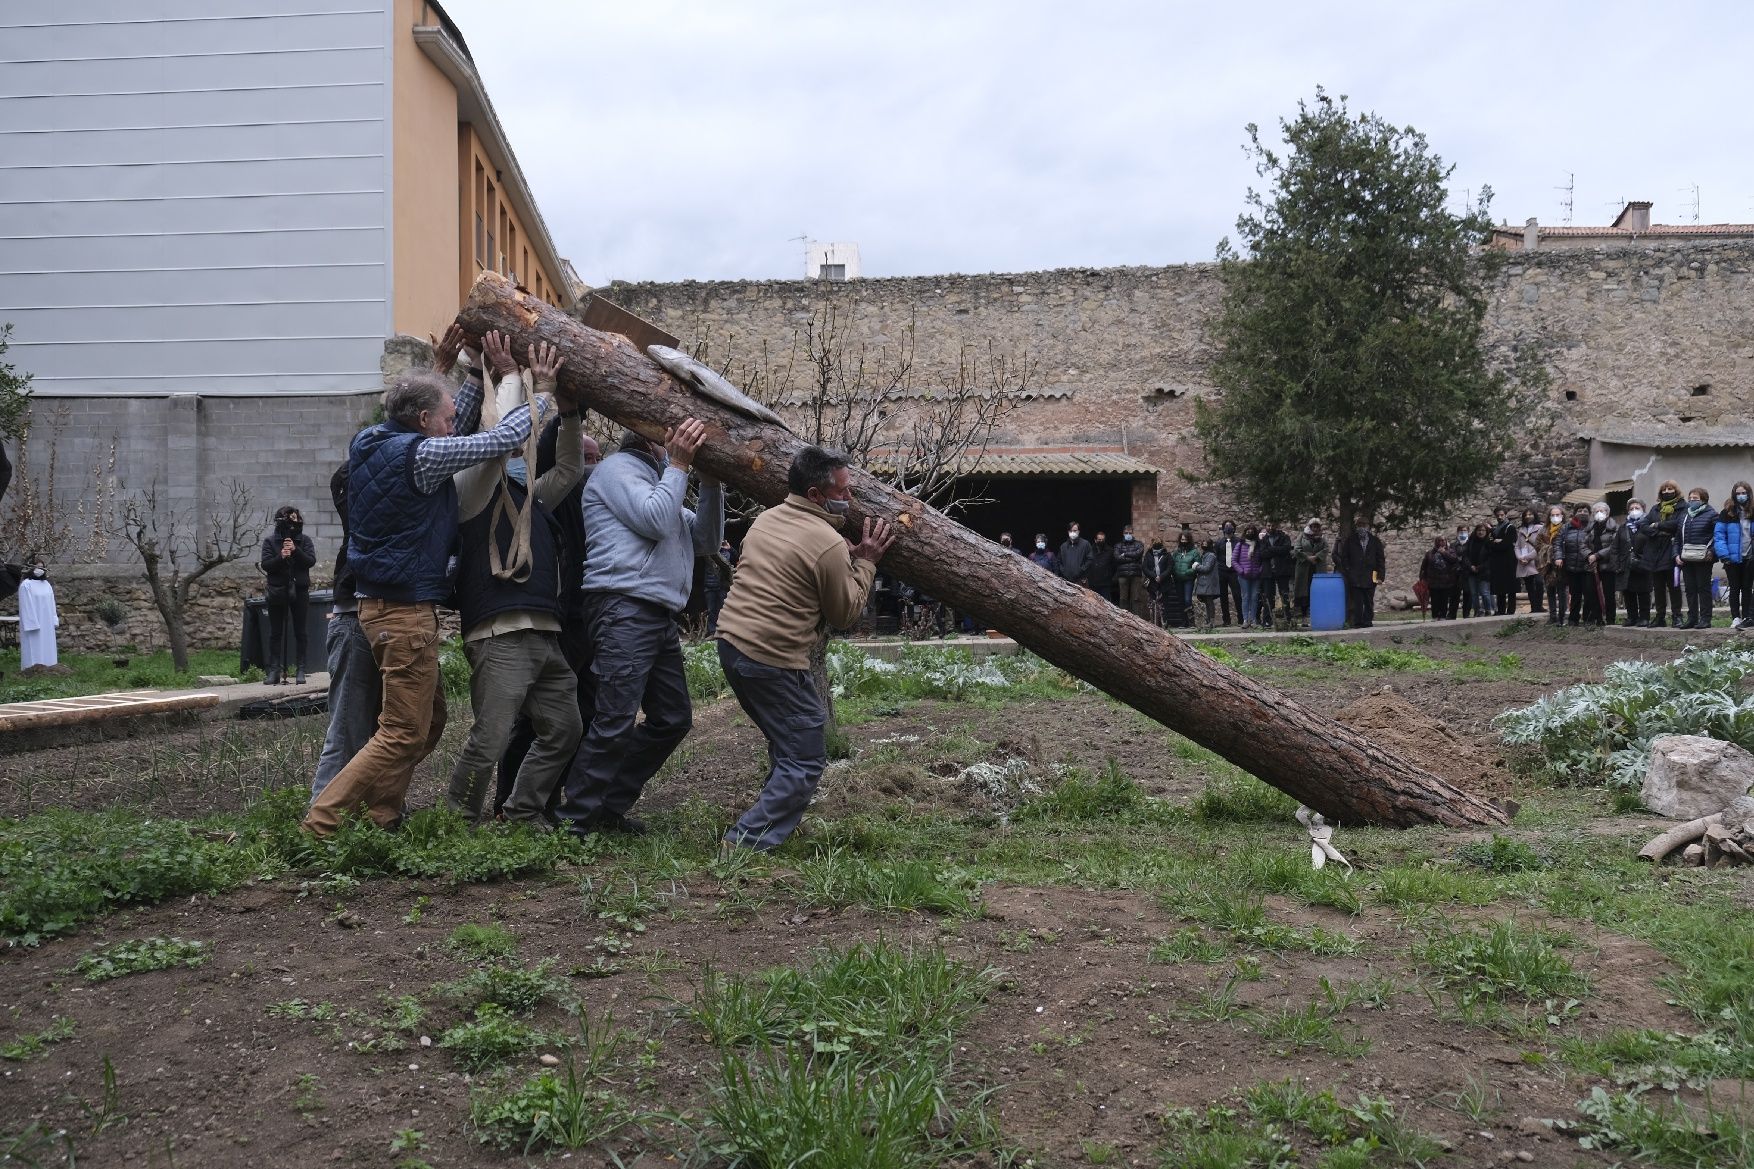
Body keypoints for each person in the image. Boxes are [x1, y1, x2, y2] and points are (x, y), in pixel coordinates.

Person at [303, 334, 548, 838]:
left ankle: (381, 815)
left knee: (427, 722)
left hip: (384, 607)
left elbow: (452, 423)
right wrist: (539, 393)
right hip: (403, 613)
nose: (448, 425)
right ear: (420, 422)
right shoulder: (418, 457)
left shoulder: (375, 444)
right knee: (399, 731)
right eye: (440, 418)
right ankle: (322, 822)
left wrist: (473, 373)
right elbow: (495, 441)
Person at [716, 447, 893, 851]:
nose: (850, 500)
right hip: (772, 658)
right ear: (815, 495)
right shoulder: (827, 543)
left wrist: (837, 560)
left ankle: (772, 821)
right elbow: (845, 613)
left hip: (731, 643)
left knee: (787, 741)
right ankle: (745, 840)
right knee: (806, 755)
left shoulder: (766, 520)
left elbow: (792, 567)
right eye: (844, 493)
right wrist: (865, 562)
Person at [558, 419, 725, 837]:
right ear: (654, 438)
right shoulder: (618, 469)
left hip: (653, 612)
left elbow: (704, 540)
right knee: (614, 716)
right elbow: (654, 519)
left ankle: (607, 807)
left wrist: (709, 485)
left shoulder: (657, 479)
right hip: (623, 605)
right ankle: (575, 818)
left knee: (672, 717)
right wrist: (681, 466)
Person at [444, 337, 584, 830]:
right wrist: (509, 379)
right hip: (499, 633)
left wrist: (569, 415)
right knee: (490, 736)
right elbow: (500, 440)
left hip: (543, 632)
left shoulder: (532, 496)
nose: (523, 449)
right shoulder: (475, 488)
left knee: (564, 728)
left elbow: (568, 468)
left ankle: (522, 810)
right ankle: (456, 823)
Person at [311, 462, 380, 803]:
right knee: (347, 730)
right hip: (355, 621)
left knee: (385, 731)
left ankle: (369, 812)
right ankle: (320, 821)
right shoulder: (361, 509)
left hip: (377, 621)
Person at [260, 504, 317, 684]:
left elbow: (310, 561)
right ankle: (274, 670)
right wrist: (281, 557)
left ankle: (301, 669)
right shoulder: (270, 542)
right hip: (277, 590)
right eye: (290, 518)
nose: (294, 521)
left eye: (296, 517)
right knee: (275, 632)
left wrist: (295, 550)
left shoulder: (305, 540)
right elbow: (266, 565)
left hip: (299, 591)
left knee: (300, 631)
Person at [1672, 488, 1718, 629]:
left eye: (1695, 498)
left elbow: (1718, 536)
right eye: (1690, 498)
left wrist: (1712, 551)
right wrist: (1676, 554)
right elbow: (1677, 539)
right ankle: (1692, 618)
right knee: (1690, 589)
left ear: (1703, 499)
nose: (1692, 500)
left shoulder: (1712, 515)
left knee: (1703, 589)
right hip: (1686, 559)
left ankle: (1705, 619)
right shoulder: (1684, 516)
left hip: (1703, 559)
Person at [1334, 519, 1385, 629]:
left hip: (1372, 575)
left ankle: (1367, 621)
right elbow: (1344, 558)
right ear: (1356, 527)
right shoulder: (1350, 540)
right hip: (1355, 576)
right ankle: (1358, 622)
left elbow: (1380, 559)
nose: (1361, 527)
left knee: (1369, 600)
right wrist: (1348, 571)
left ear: (1368, 526)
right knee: (1357, 601)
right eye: (1359, 525)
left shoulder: (1375, 541)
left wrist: (1380, 576)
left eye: (1364, 525)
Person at [1715, 482, 1752, 630]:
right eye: (1738, 493)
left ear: (1749, 494)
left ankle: (1748, 617)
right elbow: (1719, 535)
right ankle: (1736, 617)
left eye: (1744, 493)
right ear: (1734, 495)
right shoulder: (1727, 512)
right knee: (1735, 588)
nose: (1741, 496)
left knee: (1747, 588)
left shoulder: (1752, 511)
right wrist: (1724, 555)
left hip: (1750, 557)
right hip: (1732, 559)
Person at [1649, 481, 1686, 627]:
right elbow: (1645, 525)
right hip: (1656, 553)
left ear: (1676, 491)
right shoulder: (1655, 509)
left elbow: (1678, 524)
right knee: (1658, 587)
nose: (1666, 491)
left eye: (1670, 489)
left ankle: (1677, 616)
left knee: (1674, 586)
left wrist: (1657, 525)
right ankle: (1660, 617)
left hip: (1672, 551)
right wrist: (1661, 531)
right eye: (1664, 489)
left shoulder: (1683, 507)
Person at [1555, 504, 1596, 626]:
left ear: (1589, 513)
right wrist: (1558, 557)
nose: (1582, 512)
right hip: (1571, 566)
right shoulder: (1567, 527)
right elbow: (1557, 543)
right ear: (1574, 513)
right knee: (1575, 593)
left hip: (1587, 566)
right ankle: (1573, 619)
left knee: (1589, 593)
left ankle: (1588, 618)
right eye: (1579, 510)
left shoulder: (1593, 526)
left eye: (1585, 510)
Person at [1585, 501, 1622, 627]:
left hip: (1608, 564)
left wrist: (1598, 555)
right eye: (1596, 511)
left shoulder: (1615, 527)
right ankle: (1598, 618)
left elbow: (1615, 545)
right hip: (1592, 565)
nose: (1599, 513)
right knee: (1592, 592)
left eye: (1602, 511)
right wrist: (1589, 554)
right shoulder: (1589, 528)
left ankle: (1611, 619)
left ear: (1607, 513)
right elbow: (1582, 544)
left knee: (1608, 593)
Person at [16, 559, 58, 669]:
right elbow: (26, 606)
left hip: (47, 622)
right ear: (31, 569)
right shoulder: (26, 585)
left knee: (48, 646)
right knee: (34, 647)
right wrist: (32, 623)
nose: (39, 569)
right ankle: (32, 669)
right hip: (34, 624)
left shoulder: (46, 584)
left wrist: (54, 619)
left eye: (41, 567)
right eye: (37, 567)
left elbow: (52, 603)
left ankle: (50, 667)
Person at [1621, 499, 1654, 628]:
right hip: (1627, 565)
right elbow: (1616, 546)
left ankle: (1645, 618)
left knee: (1644, 592)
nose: (1634, 510)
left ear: (1643, 509)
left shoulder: (1648, 525)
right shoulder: (1623, 527)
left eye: (1637, 507)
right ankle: (1632, 617)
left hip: (1644, 564)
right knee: (1628, 592)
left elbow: (1652, 544)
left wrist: (1645, 560)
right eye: (1631, 508)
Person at [1258, 521, 1294, 627]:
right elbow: (1262, 554)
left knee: (1284, 594)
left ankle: (1288, 618)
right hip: (1268, 571)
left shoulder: (1284, 537)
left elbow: (1286, 549)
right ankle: (1267, 620)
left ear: (1276, 526)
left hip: (1282, 570)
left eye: (1272, 525)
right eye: (1268, 525)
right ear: (1266, 526)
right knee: (1268, 596)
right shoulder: (1263, 540)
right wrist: (1277, 551)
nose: (1270, 527)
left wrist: (1271, 550)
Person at [1536, 504, 1567, 625]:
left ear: (1562, 516)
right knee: (1550, 591)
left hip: (1561, 564)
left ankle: (1562, 615)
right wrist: (1549, 550)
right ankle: (1552, 615)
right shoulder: (1543, 530)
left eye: (1557, 515)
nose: (1555, 517)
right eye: (1552, 515)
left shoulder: (1565, 528)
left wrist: (1558, 552)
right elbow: (1538, 544)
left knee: (1562, 591)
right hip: (1547, 565)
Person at [1292, 519, 1328, 625]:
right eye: (1313, 526)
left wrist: (1316, 557)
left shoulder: (1322, 539)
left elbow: (1326, 549)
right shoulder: (1302, 536)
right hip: (1304, 569)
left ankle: (1316, 617)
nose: (1315, 529)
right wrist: (1307, 557)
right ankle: (1304, 617)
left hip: (1317, 568)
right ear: (1310, 527)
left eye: (1317, 527)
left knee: (1317, 592)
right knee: (1304, 592)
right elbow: (1297, 549)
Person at [1419, 536, 1461, 620]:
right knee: (1434, 600)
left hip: (1446, 581)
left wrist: (1444, 553)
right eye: (1440, 540)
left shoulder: (1450, 551)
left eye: (1443, 540)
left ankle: (1442, 616)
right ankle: (1435, 616)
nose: (1442, 542)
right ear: (1436, 542)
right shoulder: (1430, 553)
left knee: (1444, 600)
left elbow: (1454, 560)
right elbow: (1424, 566)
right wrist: (1422, 578)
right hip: (1433, 581)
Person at [1487, 507, 1519, 616]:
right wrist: (1498, 542)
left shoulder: (1510, 528)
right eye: (1498, 515)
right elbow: (1490, 544)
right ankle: (1500, 610)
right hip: (1498, 563)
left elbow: (1507, 544)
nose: (1500, 517)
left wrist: (1499, 542)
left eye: (1501, 515)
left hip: (1509, 562)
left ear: (1505, 515)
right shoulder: (1496, 530)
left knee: (1511, 588)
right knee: (1500, 588)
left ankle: (1511, 610)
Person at [704, 538, 737, 633]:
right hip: (709, 586)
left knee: (723, 609)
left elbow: (737, 558)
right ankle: (712, 631)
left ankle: (723, 630)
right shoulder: (708, 553)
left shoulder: (727, 551)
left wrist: (729, 548)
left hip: (723, 586)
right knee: (711, 610)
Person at [1142, 534, 1175, 627]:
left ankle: (1164, 623)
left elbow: (1170, 567)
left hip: (1164, 583)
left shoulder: (1167, 555)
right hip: (1152, 583)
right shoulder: (1148, 554)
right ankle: (1153, 623)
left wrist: (1161, 576)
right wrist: (1153, 576)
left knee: (1164, 605)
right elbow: (1145, 568)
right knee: (1152, 604)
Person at [1461, 523, 1493, 618]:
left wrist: (1479, 567)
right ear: (1476, 531)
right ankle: (1477, 611)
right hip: (1471, 571)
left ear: (1486, 532)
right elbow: (1465, 556)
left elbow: (1490, 559)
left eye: (1483, 530)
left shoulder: (1489, 543)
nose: (1481, 532)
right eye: (1479, 530)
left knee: (1484, 593)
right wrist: (1470, 566)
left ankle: (1488, 610)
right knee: (1474, 594)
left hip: (1484, 572)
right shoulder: (1471, 542)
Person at [1113, 525, 1146, 617]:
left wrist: (1125, 554)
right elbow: (1117, 558)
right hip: (1122, 575)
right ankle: (1123, 619)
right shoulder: (1118, 545)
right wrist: (1132, 558)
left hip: (1136, 574)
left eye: (1130, 533)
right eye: (1126, 533)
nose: (1128, 534)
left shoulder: (1139, 544)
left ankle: (1137, 619)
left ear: (1133, 533)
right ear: (1123, 534)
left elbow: (1138, 554)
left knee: (1136, 598)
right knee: (1123, 598)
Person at [1515, 509, 1543, 614]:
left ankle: (1539, 605)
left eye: (1530, 514)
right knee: (1529, 586)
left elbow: (1540, 546)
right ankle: (1534, 607)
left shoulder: (1540, 528)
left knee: (1539, 583)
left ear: (1534, 515)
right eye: (1526, 514)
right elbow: (1517, 546)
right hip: (1523, 561)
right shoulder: (1521, 530)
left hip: (1536, 560)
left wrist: (1527, 557)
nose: (1528, 516)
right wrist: (1519, 557)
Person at [1234, 524, 1262, 629]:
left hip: (1256, 576)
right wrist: (1241, 571)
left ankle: (1253, 619)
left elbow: (1262, 560)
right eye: (1248, 530)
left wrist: (1260, 570)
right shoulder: (1240, 545)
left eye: (1252, 530)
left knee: (1254, 597)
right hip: (1243, 576)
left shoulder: (1259, 545)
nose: (1250, 532)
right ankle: (1245, 619)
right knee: (1245, 597)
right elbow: (1234, 560)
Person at [1172, 528, 1201, 627]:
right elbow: (1172, 564)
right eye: (1182, 539)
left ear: (1189, 540)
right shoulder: (1177, 552)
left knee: (1187, 600)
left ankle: (1191, 621)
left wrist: (1187, 572)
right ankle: (1183, 622)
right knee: (1180, 601)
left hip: (1188, 579)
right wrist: (1174, 573)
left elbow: (1197, 565)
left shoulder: (1194, 552)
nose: (1183, 541)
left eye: (1185, 540)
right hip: (1178, 579)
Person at [1217, 521, 1244, 626]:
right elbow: (1217, 556)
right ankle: (1226, 620)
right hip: (1222, 571)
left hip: (1234, 572)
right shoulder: (1219, 543)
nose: (1228, 528)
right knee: (1223, 596)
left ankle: (1241, 619)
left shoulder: (1238, 542)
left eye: (1230, 526)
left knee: (1237, 595)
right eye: (1226, 526)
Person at [1192, 538, 1222, 626]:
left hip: (1209, 582)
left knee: (1209, 601)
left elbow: (1207, 568)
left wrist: (1197, 566)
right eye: (1203, 543)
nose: (1203, 545)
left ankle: (1211, 621)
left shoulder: (1211, 556)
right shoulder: (1205, 555)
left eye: (1205, 543)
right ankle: (1208, 620)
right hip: (1205, 582)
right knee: (1207, 602)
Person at [1087, 531, 1117, 601]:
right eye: (1099, 540)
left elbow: (1114, 565)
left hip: (1105, 584)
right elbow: (1087, 564)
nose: (1101, 541)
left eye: (1102, 540)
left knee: (1106, 604)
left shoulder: (1110, 551)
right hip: (1093, 583)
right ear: (1095, 540)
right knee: (1093, 603)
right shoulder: (1089, 550)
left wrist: (1110, 576)